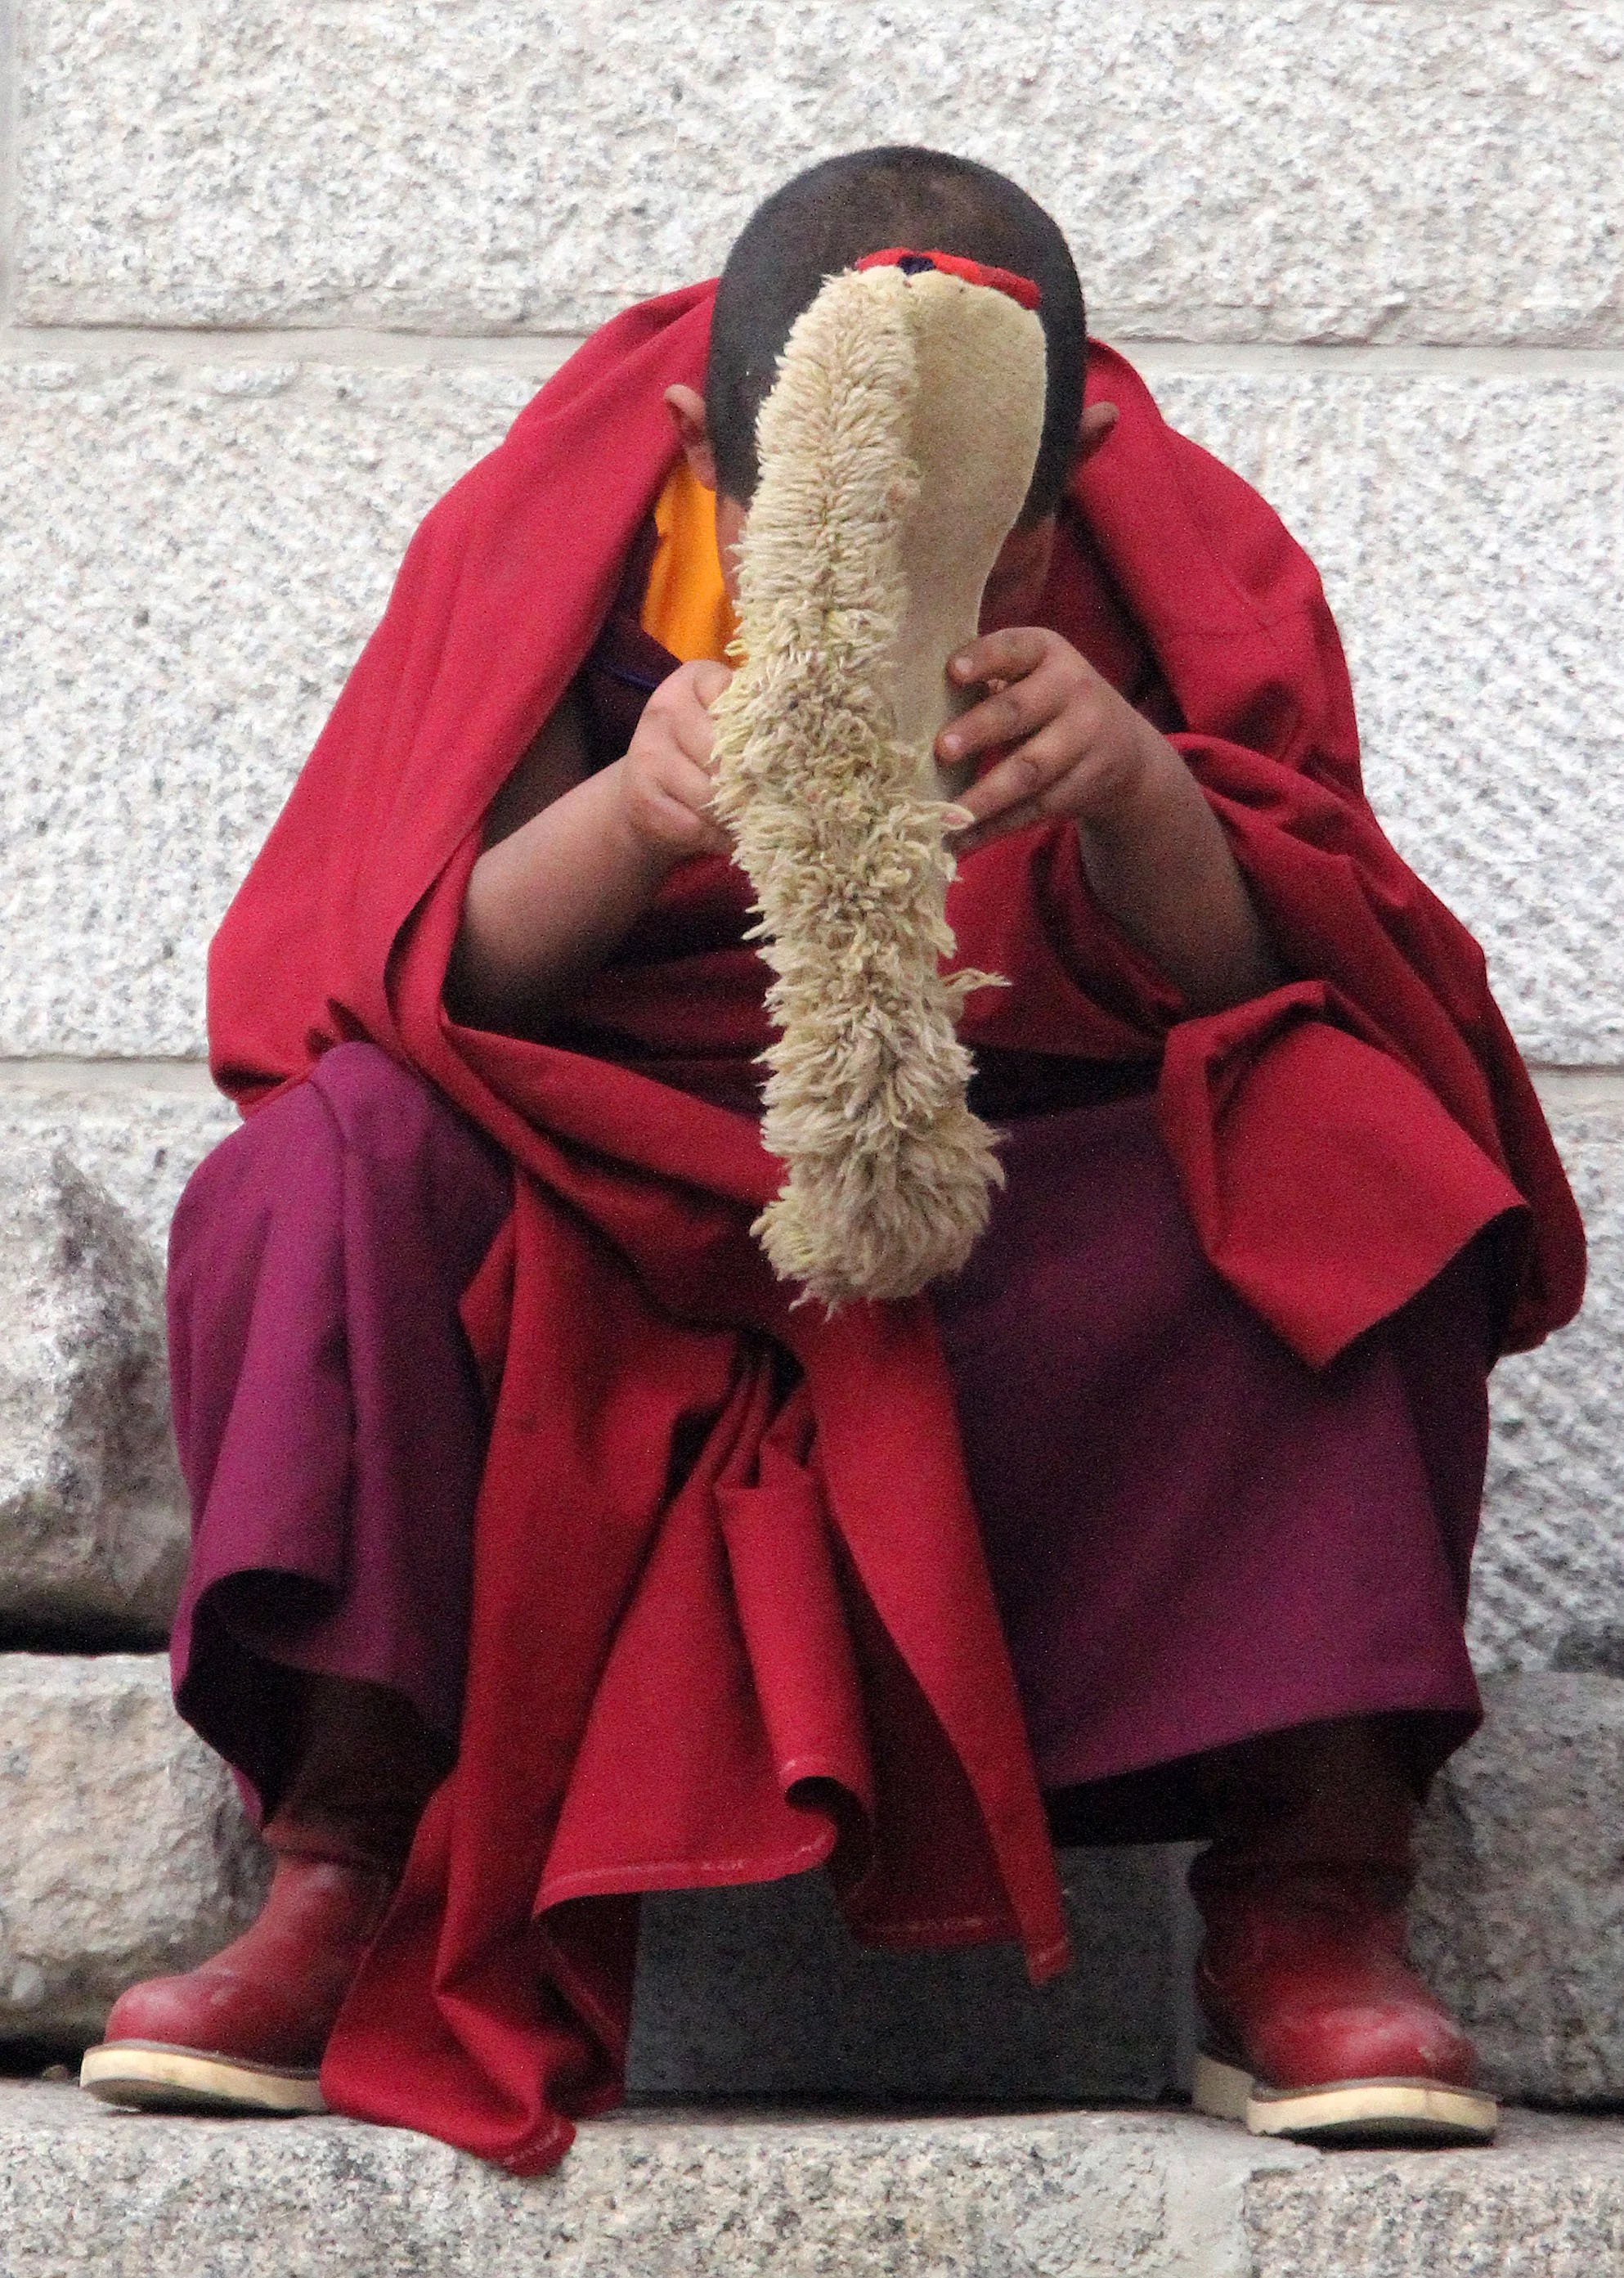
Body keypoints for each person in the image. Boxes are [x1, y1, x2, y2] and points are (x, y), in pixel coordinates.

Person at [79, 148, 1584, 2163]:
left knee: (1340, 1140)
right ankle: (349, 1861)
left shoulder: (1174, 548)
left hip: (1002, 1202)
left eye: (994, 537)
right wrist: (627, 817)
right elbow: (398, 977)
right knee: (325, 1166)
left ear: (1090, 450)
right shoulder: (570, 525)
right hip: (602, 1197)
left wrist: (1138, 796)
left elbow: (1299, 961)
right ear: (706, 442)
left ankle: (1304, 1895)